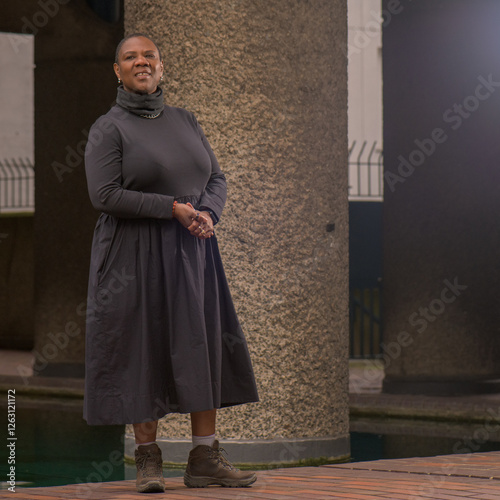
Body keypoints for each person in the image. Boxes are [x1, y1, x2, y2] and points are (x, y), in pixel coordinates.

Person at [83, 33, 259, 494]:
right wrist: (173, 209)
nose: (141, 62)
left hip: (192, 252)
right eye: (130, 57)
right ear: (117, 71)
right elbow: (103, 195)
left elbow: (216, 177)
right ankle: (148, 461)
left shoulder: (186, 120)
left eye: (150, 56)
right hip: (133, 255)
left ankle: (204, 458)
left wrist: (208, 214)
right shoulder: (109, 126)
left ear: (161, 68)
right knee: (143, 347)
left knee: (200, 345)